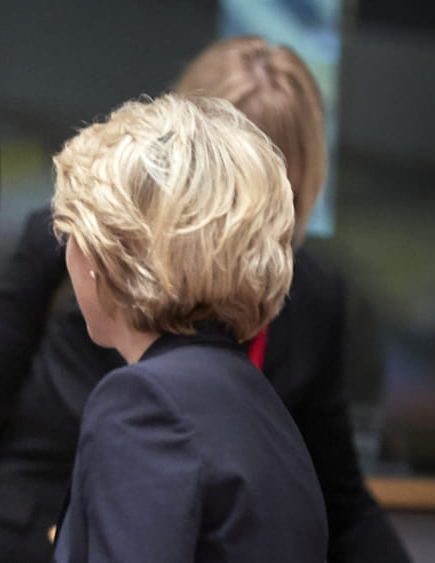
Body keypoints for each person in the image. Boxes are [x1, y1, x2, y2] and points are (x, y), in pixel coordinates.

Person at [0, 36, 412, 563]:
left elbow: (339, 499)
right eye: (219, 185)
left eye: (267, 196)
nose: (236, 220)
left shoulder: (299, 314)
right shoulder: (74, 234)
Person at [49, 91, 325, 561]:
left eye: (72, 229)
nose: (67, 250)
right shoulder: (264, 410)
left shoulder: (144, 404)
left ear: (108, 252)